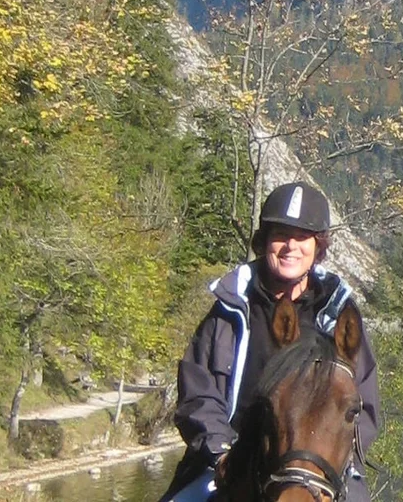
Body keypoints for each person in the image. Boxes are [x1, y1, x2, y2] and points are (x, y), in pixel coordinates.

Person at [160, 182, 381, 502]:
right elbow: (198, 391)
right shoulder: (229, 309)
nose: (291, 245)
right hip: (230, 462)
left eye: (302, 236)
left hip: (323, 469)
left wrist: (333, 466)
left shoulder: (339, 314)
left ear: (318, 246)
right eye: (280, 235)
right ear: (264, 242)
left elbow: (363, 406)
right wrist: (219, 451)